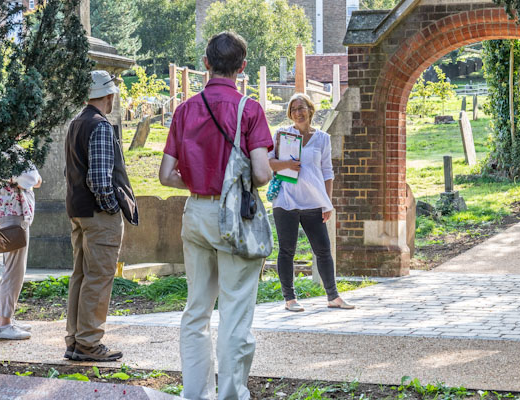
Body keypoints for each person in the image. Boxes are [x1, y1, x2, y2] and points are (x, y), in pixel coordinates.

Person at [158, 31, 273, 400]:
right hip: (235, 215)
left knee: (196, 312)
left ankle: (194, 394)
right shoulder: (249, 110)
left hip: (196, 212)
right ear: (242, 68)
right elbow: (260, 174)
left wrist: (197, 180)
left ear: (205, 64)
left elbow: (165, 175)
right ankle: (231, 395)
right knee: (236, 312)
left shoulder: (185, 109)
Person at [64, 70, 139, 362]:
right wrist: (111, 207)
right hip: (98, 214)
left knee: (80, 276)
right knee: (98, 278)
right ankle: (89, 342)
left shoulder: (75, 123)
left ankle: (75, 340)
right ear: (108, 97)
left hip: (78, 210)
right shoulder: (101, 126)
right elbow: (99, 179)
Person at [269, 93, 353, 312]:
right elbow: (268, 162)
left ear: (310, 110)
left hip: (313, 201)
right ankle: (290, 299)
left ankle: (333, 296)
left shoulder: (322, 138)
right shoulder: (281, 134)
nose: (298, 112)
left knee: (323, 250)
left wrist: (327, 203)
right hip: (286, 200)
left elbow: (327, 172)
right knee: (287, 250)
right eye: (294, 108)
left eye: (302, 107)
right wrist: (286, 163)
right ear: (290, 113)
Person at [0, 147, 41, 340]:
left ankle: (5, 319)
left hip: (10, 215)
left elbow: (32, 179)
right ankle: (4, 324)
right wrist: (32, 179)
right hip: (13, 216)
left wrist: (32, 179)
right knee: (14, 271)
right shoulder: (8, 151)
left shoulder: (4, 148)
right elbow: (32, 179)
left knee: (12, 269)